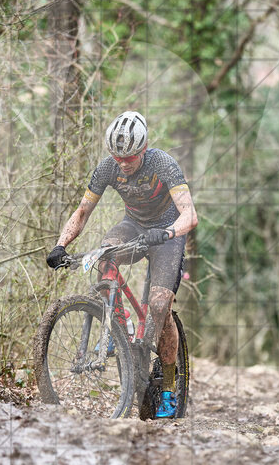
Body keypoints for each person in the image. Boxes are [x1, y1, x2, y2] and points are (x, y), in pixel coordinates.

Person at [46, 111, 198, 418]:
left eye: (129, 158)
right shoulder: (107, 169)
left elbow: (190, 216)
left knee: (158, 305)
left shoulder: (163, 164)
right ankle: (120, 326)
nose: (123, 164)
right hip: (134, 225)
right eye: (117, 157)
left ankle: (169, 388)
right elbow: (82, 212)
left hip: (167, 234)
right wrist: (61, 244)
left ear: (143, 150)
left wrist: (167, 232)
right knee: (105, 252)